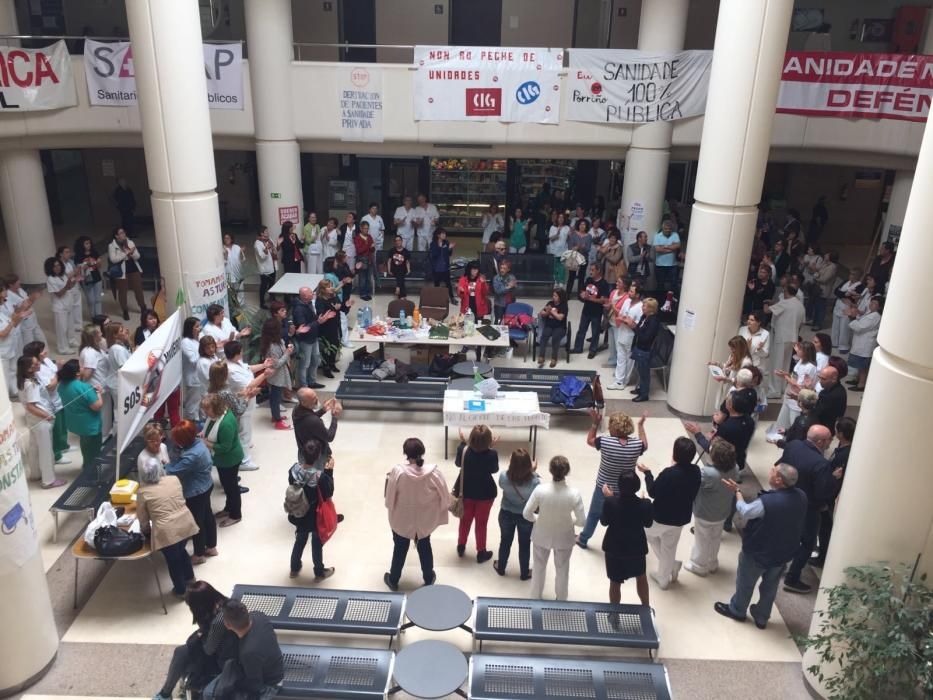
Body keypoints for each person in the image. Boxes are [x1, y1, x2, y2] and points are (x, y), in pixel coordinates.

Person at [714, 463, 808, 629]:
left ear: (778, 480)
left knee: (746, 582)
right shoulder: (801, 496)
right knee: (770, 586)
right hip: (783, 551)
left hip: (759, 551)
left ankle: (737, 609)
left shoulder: (768, 502)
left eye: (772, 471)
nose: (770, 472)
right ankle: (762, 616)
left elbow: (746, 511)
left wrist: (737, 492)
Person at [152, 580, 238, 700]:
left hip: (224, 660)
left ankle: (166, 693)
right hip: (222, 649)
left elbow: (209, 649)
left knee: (183, 653)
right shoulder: (223, 604)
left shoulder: (218, 621)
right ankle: (166, 693)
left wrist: (199, 635)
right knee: (183, 651)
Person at [383, 437, 449, 590]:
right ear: (422, 452)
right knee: (425, 547)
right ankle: (428, 577)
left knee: (400, 548)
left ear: (406, 454)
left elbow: (389, 498)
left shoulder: (398, 472)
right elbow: (444, 496)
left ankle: (393, 579)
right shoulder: (434, 473)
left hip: (402, 520)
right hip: (424, 521)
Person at [577, 409, 648, 548]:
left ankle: (583, 539)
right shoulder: (636, 445)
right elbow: (645, 445)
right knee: (622, 515)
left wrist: (595, 423)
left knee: (594, 514)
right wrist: (641, 426)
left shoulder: (605, 442)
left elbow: (590, 440)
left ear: (614, 429)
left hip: (604, 487)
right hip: (626, 488)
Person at [637, 438, 701, 589]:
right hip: (681, 518)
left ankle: (668, 570)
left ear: (675, 454)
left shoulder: (669, 474)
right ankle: (665, 575)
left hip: (660, 517)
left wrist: (647, 473)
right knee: (669, 547)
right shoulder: (696, 472)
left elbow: (652, 491)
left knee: (646, 533)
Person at [778, 425, 835, 594]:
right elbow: (822, 492)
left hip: (786, 498)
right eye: (829, 439)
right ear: (821, 442)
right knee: (807, 543)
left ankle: (777, 565)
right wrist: (832, 479)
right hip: (808, 508)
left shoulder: (793, 445)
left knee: (786, 533)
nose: (831, 442)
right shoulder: (821, 464)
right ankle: (792, 578)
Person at [523, 456, 585, 601]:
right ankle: (561, 599)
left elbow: (526, 513)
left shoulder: (540, 490)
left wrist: (537, 519)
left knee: (538, 568)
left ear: (550, 470)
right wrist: (570, 522)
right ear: (567, 472)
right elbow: (582, 522)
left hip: (541, 534)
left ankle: (535, 597)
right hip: (564, 537)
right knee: (563, 570)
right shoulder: (574, 494)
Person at [136, 455, 198, 596]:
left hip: (166, 531)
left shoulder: (143, 491)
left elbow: (143, 518)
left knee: (173, 560)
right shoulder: (173, 480)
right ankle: (191, 580)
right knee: (182, 551)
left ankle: (181, 591)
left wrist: (146, 531)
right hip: (185, 522)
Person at [202, 600, 284, 700]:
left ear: (228, 625)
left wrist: (233, 683)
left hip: (270, 683)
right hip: (264, 666)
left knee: (211, 694)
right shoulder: (259, 616)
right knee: (210, 692)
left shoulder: (248, 652)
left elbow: (255, 685)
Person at [684, 438, 739, 577]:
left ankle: (699, 565)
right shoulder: (735, 468)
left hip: (705, 513)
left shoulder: (707, 473)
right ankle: (712, 563)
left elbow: (694, 485)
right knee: (715, 538)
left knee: (701, 539)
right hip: (722, 512)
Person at [165, 420, 217, 564]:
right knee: (207, 516)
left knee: (196, 523)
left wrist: (163, 465)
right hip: (206, 484)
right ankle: (211, 546)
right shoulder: (199, 442)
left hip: (195, 492)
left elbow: (172, 471)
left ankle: (199, 554)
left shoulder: (192, 456)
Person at [600, 472, 653, 605]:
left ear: (619, 486)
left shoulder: (610, 502)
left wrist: (609, 498)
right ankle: (645, 607)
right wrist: (642, 501)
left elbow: (604, 522)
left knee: (615, 582)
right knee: (641, 577)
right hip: (636, 549)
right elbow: (648, 523)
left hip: (614, 548)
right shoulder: (645, 504)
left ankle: (614, 615)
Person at [287, 439, 336, 581]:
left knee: (300, 540)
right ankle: (319, 572)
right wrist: (329, 472)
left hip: (299, 512)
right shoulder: (320, 477)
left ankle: (294, 569)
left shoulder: (293, 470)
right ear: (318, 456)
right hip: (315, 516)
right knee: (316, 543)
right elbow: (328, 493)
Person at [811, 416, 855, 567]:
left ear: (841, 434)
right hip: (830, 492)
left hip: (830, 495)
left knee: (825, 527)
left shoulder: (844, 454)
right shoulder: (843, 449)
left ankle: (823, 556)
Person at [454, 425, 499, 563]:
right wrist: (490, 447)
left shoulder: (463, 450)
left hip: (465, 493)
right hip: (486, 495)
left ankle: (461, 545)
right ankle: (481, 551)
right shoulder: (492, 454)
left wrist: (462, 442)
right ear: (489, 440)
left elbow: (457, 464)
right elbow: (494, 470)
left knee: (465, 521)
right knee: (481, 523)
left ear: (471, 438)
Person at [17, 356, 64, 488]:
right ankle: (49, 480)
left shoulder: (23, 381)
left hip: (32, 419)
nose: (39, 364)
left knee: (34, 447)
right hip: (41, 419)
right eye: (36, 363)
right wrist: (47, 415)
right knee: (46, 450)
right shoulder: (31, 384)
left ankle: (35, 473)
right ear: (29, 368)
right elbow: (31, 406)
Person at [224, 341, 270, 471]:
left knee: (243, 430)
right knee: (244, 431)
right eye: (241, 351)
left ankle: (242, 451)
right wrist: (264, 375)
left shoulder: (236, 363)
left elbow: (248, 368)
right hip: (241, 404)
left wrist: (263, 365)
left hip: (247, 403)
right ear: (237, 353)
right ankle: (244, 461)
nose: (243, 352)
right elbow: (249, 386)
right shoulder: (231, 370)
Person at [201, 393, 244, 528]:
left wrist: (206, 443)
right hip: (222, 460)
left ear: (216, 408)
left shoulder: (226, 423)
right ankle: (228, 509)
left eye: (207, 409)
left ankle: (235, 515)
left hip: (229, 460)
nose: (205, 412)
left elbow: (225, 447)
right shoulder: (217, 417)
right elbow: (210, 430)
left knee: (231, 488)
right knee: (227, 485)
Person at [23, 341, 69, 465]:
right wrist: (58, 374)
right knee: (56, 430)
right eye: (42, 351)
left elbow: (55, 375)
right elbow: (50, 386)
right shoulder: (36, 370)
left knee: (62, 426)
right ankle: (57, 455)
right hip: (50, 401)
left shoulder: (47, 361)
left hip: (57, 398)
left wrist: (57, 372)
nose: (46, 352)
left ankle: (63, 446)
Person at [57, 359, 102, 470]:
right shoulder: (84, 388)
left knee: (85, 445)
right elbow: (97, 406)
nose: (83, 368)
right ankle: (91, 471)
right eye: (81, 367)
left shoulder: (62, 385)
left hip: (75, 422)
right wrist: (99, 393)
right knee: (93, 449)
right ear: (77, 373)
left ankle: (86, 464)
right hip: (90, 424)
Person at [765, 284, 806, 397]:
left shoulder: (784, 302)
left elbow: (767, 311)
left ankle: (774, 390)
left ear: (785, 291)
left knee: (777, 364)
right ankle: (783, 387)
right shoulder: (800, 305)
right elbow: (802, 323)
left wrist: (766, 302)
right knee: (786, 363)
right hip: (793, 337)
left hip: (781, 336)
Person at [292, 286, 333, 390]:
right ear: (305, 296)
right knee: (305, 364)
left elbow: (313, 320)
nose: (313, 293)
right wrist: (318, 322)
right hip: (305, 340)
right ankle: (304, 385)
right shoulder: (299, 310)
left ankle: (312, 381)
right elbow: (304, 327)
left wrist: (320, 320)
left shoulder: (309, 304)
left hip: (313, 338)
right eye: (311, 292)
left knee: (315, 360)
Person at [773, 339, 818, 431]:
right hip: (789, 395)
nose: (797, 351)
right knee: (782, 423)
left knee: (794, 425)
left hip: (797, 399)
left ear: (806, 353)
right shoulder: (801, 361)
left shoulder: (810, 367)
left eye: (800, 350)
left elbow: (799, 386)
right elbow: (795, 376)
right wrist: (786, 374)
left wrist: (785, 377)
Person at [607, 281, 643, 390]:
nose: (629, 293)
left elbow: (636, 325)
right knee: (620, 357)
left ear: (637, 295)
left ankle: (624, 381)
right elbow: (620, 315)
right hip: (621, 332)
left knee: (629, 360)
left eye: (632, 291)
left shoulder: (640, 307)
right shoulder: (627, 301)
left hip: (630, 337)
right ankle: (618, 381)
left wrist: (626, 321)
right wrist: (624, 319)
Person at [259, 317, 293, 430]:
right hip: (276, 376)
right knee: (275, 398)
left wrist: (287, 350)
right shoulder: (272, 346)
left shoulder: (278, 341)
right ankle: (277, 421)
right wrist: (287, 353)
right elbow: (276, 364)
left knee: (276, 397)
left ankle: (275, 416)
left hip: (279, 375)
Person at [292, 388, 341, 466]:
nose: (317, 399)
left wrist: (323, 410)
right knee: (319, 477)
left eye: (316, 396)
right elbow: (329, 437)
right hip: (317, 458)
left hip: (303, 453)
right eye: (313, 399)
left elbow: (309, 419)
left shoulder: (296, 409)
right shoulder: (314, 421)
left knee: (305, 476)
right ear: (304, 402)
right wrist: (335, 417)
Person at [572, 263, 611, 359]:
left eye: (593, 270)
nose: (590, 272)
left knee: (595, 332)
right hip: (586, 310)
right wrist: (582, 294)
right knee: (581, 330)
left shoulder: (604, 284)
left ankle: (593, 350)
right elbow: (582, 291)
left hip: (596, 312)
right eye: (590, 270)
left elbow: (603, 300)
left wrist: (590, 299)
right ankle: (578, 348)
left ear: (598, 271)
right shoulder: (589, 280)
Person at [846, 295, 883, 392]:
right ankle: (858, 380)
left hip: (865, 345)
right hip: (861, 343)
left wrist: (852, 317)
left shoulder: (875, 317)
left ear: (879, 307)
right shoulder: (870, 313)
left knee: (863, 366)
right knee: (860, 365)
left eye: (875, 303)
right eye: (871, 301)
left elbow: (860, 327)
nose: (871, 304)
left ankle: (861, 384)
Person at [107, 228, 145, 321]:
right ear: (116, 235)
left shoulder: (130, 242)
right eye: (121, 233)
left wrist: (131, 254)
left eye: (124, 232)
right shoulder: (112, 246)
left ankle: (143, 307)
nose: (123, 234)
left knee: (138, 289)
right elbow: (113, 259)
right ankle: (125, 310)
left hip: (133, 268)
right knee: (123, 292)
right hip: (121, 271)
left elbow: (138, 256)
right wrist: (125, 254)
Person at [630, 297, 661, 402]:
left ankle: (644, 395)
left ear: (651, 308)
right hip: (639, 348)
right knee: (639, 370)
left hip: (645, 350)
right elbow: (639, 330)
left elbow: (645, 338)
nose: (642, 308)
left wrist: (634, 327)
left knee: (644, 374)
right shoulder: (644, 316)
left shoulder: (653, 321)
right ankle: (641, 388)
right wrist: (635, 328)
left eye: (644, 306)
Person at [3, 274, 46, 348]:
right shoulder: (8, 296)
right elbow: (17, 312)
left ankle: (46, 358)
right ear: (10, 285)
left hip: (33, 320)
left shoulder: (20, 289)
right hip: (24, 324)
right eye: (17, 281)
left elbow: (26, 300)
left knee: (42, 340)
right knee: (30, 345)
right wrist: (32, 299)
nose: (19, 282)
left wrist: (32, 298)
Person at [45, 256, 77, 354]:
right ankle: (63, 348)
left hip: (68, 304)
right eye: (55, 266)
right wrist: (67, 286)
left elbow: (70, 286)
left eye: (58, 265)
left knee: (70, 325)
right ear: (50, 268)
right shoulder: (50, 279)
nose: (57, 267)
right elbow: (58, 294)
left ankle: (71, 340)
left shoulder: (63, 275)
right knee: (62, 329)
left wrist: (74, 281)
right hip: (59, 307)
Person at [314, 279, 342, 377]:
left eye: (331, 286)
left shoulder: (334, 296)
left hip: (335, 325)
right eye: (329, 286)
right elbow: (321, 314)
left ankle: (332, 364)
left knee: (335, 345)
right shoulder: (320, 300)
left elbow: (339, 306)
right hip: (326, 328)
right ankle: (326, 368)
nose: (331, 288)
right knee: (326, 348)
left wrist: (346, 306)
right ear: (323, 289)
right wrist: (334, 308)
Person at [831, 267, 862, 354]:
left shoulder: (860, 286)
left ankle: (843, 346)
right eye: (850, 273)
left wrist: (842, 294)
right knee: (835, 325)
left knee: (844, 328)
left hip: (847, 308)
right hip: (838, 306)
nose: (850, 276)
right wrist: (844, 294)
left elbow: (851, 297)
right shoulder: (846, 281)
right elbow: (836, 291)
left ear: (858, 276)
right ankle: (834, 342)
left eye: (853, 274)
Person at [536, 288, 568, 368]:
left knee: (555, 338)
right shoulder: (550, 303)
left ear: (560, 297)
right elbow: (541, 313)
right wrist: (547, 312)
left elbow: (560, 317)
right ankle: (541, 357)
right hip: (549, 326)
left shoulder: (564, 305)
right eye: (553, 295)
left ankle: (554, 358)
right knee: (544, 336)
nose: (553, 297)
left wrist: (552, 312)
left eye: (555, 296)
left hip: (560, 327)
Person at [811, 365, 847, 433]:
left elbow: (816, 412)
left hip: (823, 429)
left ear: (833, 379)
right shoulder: (840, 388)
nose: (820, 381)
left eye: (823, 379)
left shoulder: (830, 395)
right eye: (820, 378)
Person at [180, 317, 203, 421]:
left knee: (202, 405)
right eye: (197, 326)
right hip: (193, 379)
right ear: (190, 328)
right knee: (192, 405)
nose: (200, 328)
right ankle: (191, 427)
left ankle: (201, 427)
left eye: (200, 325)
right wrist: (203, 350)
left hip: (202, 378)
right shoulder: (185, 342)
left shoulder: (197, 341)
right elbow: (194, 360)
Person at [74, 236, 103, 317]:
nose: (89, 245)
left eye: (89, 243)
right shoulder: (78, 256)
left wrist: (97, 263)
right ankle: (93, 316)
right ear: (81, 245)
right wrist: (86, 264)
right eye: (86, 243)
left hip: (97, 277)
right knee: (91, 300)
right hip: (86, 280)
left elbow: (99, 265)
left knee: (98, 299)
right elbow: (78, 269)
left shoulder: (94, 253)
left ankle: (99, 316)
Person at [565, 220, 593, 295]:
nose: (582, 226)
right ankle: (567, 294)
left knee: (581, 277)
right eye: (581, 224)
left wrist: (582, 248)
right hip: (573, 258)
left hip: (584, 258)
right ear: (578, 225)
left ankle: (580, 295)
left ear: (586, 226)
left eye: (584, 225)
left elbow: (588, 248)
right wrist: (578, 247)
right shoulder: (573, 235)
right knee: (571, 277)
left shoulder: (589, 236)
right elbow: (570, 247)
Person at [652, 220, 681, 294]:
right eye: (666, 229)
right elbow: (657, 249)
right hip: (660, 265)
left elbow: (677, 246)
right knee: (660, 285)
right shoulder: (657, 236)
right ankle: (660, 300)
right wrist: (671, 249)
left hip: (672, 265)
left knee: (674, 284)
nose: (668, 230)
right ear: (663, 228)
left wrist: (664, 246)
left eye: (669, 229)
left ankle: (674, 301)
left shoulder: (675, 235)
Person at [254, 226, 277, 309]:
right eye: (266, 231)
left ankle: (272, 299)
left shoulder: (269, 239)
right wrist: (266, 249)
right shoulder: (257, 243)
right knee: (264, 286)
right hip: (264, 269)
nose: (268, 232)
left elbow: (274, 250)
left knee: (272, 284)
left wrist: (276, 246)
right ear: (261, 233)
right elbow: (261, 256)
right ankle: (262, 303)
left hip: (272, 266)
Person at [429, 228, 455, 300]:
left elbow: (449, 254)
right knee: (437, 284)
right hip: (436, 268)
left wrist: (450, 249)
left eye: (445, 234)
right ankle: (437, 298)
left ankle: (452, 297)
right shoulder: (433, 244)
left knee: (448, 284)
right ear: (438, 235)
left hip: (445, 267)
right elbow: (434, 254)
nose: (444, 235)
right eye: (442, 234)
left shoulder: (446, 243)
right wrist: (440, 247)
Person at [353, 220, 376, 301]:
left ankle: (367, 293)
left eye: (367, 228)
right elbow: (359, 250)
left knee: (368, 278)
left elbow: (372, 249)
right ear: (361, 228)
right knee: (362, 278)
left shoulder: (369, 237)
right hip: (361, 260)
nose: (366, 230)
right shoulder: (357, 238)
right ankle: (362, 294)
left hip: (369, 260)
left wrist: (372, 247)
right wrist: (367, 245)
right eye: (365, 228)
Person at [222, 233, 246, 305]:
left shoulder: (236, 247)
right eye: (225, 238)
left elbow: (243, 259)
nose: (226, 240)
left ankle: (240, 304)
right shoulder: (222, 248)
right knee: (229, 290)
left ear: (231, 239)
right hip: (228, 273)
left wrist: (242, 252)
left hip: (238, 272)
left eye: (228, 238)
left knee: (239, 289)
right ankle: (231, 304)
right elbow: (222, 264)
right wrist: (225, 256)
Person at [491, 259, 517, 324]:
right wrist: (508, 287)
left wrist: (511, 286)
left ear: (508, 269)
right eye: (501, 268)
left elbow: (514, 287)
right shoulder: (496, 278)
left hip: (510, 303)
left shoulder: (512, 277)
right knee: (498, 322)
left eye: (504, 268)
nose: (502, 270)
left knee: (509, 322)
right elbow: (498, 291)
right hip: (499, 304)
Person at [388, 235, 411, 300]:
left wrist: (409, 269)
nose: (398, 242)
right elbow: (389, 261)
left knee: (401, 272)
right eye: (396, 241)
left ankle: (398, 289)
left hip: (403, 269)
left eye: (399, 240)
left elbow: (407, 262)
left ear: (402, 241)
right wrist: (389, 270)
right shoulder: (392, 251)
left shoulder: (406, 251)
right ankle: (402, 295)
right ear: (395, 242)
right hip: (394, 269)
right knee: (400, 273)